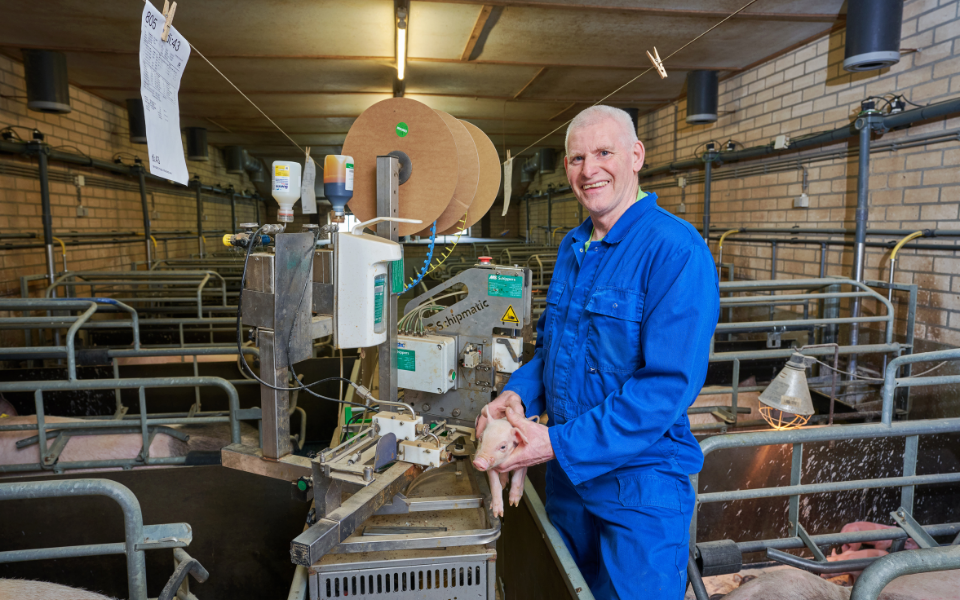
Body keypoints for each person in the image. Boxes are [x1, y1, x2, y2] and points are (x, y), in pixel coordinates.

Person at [476, 105, 719, 599]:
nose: (589, 170)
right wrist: (517, 395)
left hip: (639, 489)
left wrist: (556, 445)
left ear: (636, 156)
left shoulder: (675, 250)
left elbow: (666, 387)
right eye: (576, 158)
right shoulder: (574, 247)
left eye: (604, 153)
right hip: (569, 483)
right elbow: (552, 351)